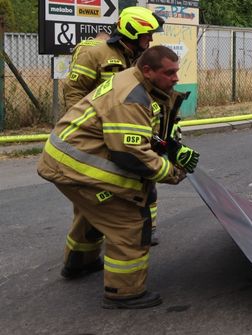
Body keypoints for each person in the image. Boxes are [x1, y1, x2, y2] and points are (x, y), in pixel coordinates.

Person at [37, 46, 198, 309]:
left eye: (176, 71)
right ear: (148, 70)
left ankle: (80, 263)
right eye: (169, 72)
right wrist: (171, 172)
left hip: (65, 160)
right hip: (77, 166)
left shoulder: (134, 80)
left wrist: (169, 148)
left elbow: (139, 133)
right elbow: (131, 155)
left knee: (92, 211)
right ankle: (124, 291)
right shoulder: (132, 97)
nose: (176, 78)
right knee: (129, 221)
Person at [63, 7, 166, 244]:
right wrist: (86, 129)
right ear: (131, 32)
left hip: (123, 132)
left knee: (140, 183)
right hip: (96, 136)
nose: (150, 39)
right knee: (95, 194)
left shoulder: (137, 60)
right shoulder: (96, 54)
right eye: (146, 35)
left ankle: (143, 231)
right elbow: (74, 91)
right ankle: (79, 257)